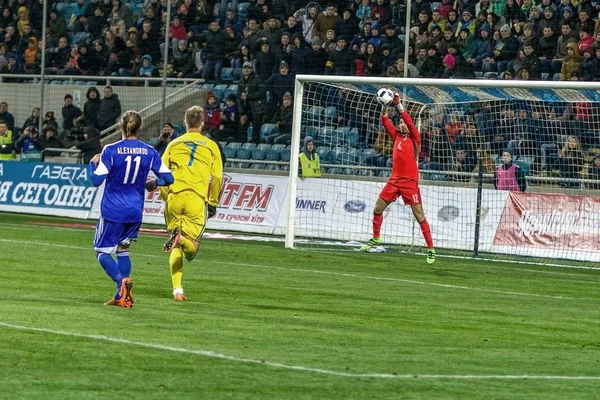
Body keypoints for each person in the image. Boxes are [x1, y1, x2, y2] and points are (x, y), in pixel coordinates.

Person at [89, 110, 174, 308]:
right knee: (123, 250)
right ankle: (122, 296)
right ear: (140, 127)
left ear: (120, 125)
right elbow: (169, 178)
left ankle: (121, 281)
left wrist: (91, 164)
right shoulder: (150, 151)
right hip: (135, 211)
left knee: (100, 251)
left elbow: (95, 180)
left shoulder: (111, 150)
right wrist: (155, 183)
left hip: (113, 211)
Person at [156, 106, 223, 301]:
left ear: (185, 123)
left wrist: (166, 195)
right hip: (195, 198)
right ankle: (181, 240)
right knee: (191, 249)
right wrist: (212, 202)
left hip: (175, 197)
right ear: (202, 123)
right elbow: (217, 177)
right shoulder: (211, 146)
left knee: (176, 245)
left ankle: (178, 290)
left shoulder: (174, 144)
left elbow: (162, 172)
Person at [360, 92, 436, 264]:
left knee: (419, 216)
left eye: (403, 123)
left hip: (410, 183)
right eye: (400, 123)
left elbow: (409, 121)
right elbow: (385, 121)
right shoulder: (396, 136)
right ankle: (376, 238)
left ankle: (431, 248)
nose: (402, 125)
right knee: (377, 208)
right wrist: (385, 105)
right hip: (394, 181)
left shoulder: (415, 138)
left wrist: (399, 105)